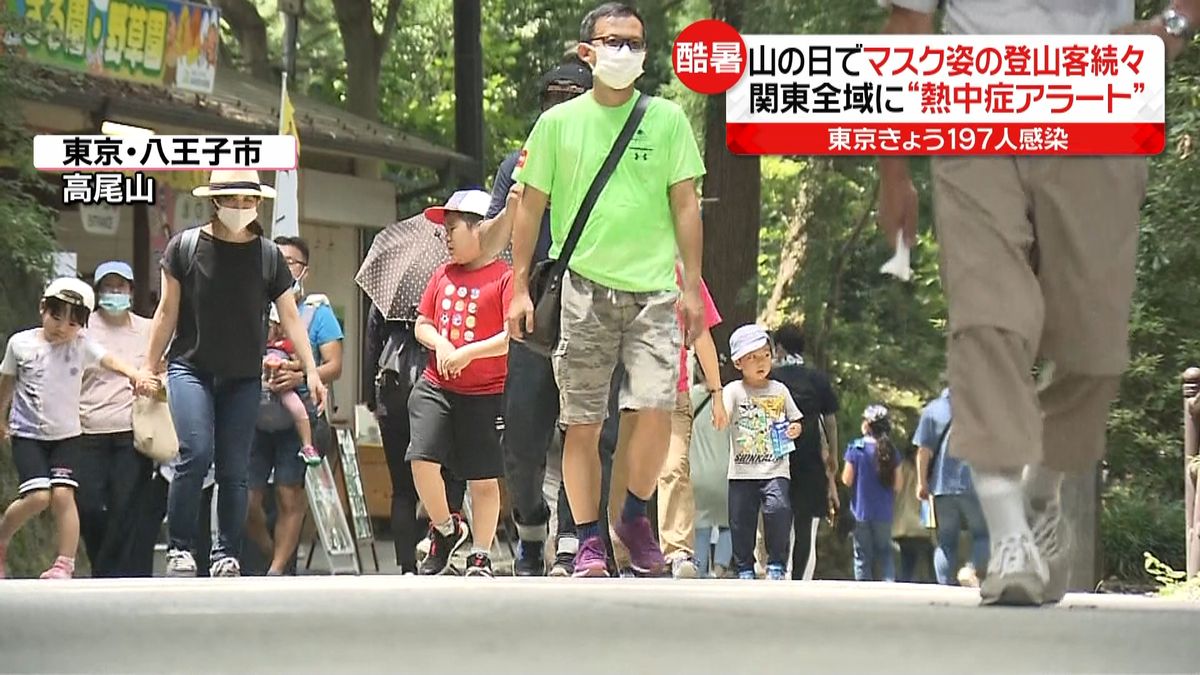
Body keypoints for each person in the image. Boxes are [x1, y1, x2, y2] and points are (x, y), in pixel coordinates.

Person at [877, 0, 1197, 606]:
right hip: (972, 102)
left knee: (1095, 353)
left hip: (1100, 97)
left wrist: (1172, 26)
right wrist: (892, 171)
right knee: (987, 316)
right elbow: (909, 27)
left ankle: (1039, 494)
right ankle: (1008, 538)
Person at [506, 1, 707, 578]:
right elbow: (530, 206)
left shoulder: (666, 120)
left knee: (653, 411)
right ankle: (588, 539)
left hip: (653, 293)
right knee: (583, 420)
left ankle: (635, 518)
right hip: (584, 290)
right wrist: (519, 286)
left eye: (635, 42)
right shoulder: (558, 124)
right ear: (587, 51)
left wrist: (691, 287)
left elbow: (686, 203)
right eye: (613, 40)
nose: (625, 51)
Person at [146, 169, 327, 578]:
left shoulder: (267, 256)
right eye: (231, 200)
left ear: (258, 205)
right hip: (190, 366)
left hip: (244, 376)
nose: (240, 208)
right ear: (215, 201)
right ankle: (181, 547)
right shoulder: (184, 247)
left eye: (248, 202)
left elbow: (291, 317)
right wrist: (147, 364)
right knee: (195, 452)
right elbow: (166, 312)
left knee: (234, 467)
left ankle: (225, 552)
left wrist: (311, 372)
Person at [485, 54, 592, 577]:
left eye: (574, 99)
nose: (564, 109)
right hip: (532, 317)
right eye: (554, 100)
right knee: (524, 440)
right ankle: (531, 529)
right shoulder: (516, 165)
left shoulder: (611, 164)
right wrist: (518, 198)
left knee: (586, 433)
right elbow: (490, 244)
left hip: (596, 313)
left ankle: (575, 538)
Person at [0, 278, 157, 579]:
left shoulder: (81, 346)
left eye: (72, 322)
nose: (62, 327)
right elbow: (6, 384)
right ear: (42, 309)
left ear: (82, 325)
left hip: (68, 436)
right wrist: (0, 418)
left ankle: (64, 564)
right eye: (56, 316)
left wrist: (135, 375)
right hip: (28, 435)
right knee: (38, 497)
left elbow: (110, 360)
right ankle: (3, 538)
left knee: (63, 496)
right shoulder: (20, 344)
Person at [408, 190, 512, 578]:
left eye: (452, 229)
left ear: (481, 229)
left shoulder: (504, 277)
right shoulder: (442, 275)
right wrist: (443, 344)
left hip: (485, 394)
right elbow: (423, 323)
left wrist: (468, 353)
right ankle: (448, 528)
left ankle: (481, 553)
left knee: (483, 478)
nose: (446, 238)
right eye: (444, 231)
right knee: (421, 459)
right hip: (436, 384)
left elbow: (509, 336)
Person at [606, 265, 725, 578]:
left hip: (674, 392)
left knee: (674, 467)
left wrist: (716, 392)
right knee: (626, 469)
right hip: (630, 391)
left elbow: (702, 337)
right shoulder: (618, 267)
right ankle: (623, 554)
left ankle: (678, 551)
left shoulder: (685, 278)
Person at [246, 235, 344, 576]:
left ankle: (276, 570)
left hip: (297, 418)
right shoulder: (252, 308)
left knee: (290, 495)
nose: (284, 268)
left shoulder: (318, 313)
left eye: (292, 263)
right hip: (254, 418)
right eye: (278, 261)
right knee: (247, 501)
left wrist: (301, 373)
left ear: (305, 271)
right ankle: (275, 553)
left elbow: (334, 365)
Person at [75, 261, 157, 577]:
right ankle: (104, 566)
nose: (114, 293)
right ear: (98, 292)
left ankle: (108, 575)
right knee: (90, 506)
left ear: (131, 291)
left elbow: (161, 369)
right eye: (108, 287)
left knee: (126, 508)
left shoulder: (148, 329)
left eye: (120, 287)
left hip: (132, 431)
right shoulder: (82, 329)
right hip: (87, 430)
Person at [724, 324, 802, 581]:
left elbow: (796, 421)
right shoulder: (734, 391)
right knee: (740, 521)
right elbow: (722, 415)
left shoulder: (779, 390)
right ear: (738, 362)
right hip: (741, 470)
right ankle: (744, 566)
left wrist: (794, 429)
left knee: (778, 510)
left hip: (775, 468)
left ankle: (777, 563)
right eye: (753, 357)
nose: (761, 362)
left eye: (766, 355)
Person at [769, 323, 840, 580]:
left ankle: (777, 568)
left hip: (778, 450)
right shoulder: (817, 378)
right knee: (804, 517)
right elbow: (830, 421)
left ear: (778, 348)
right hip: (809, 451)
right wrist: (832, 453)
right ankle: (798, 577)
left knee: (778, 511)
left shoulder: (772, 377)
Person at [913, 386, 989, 586]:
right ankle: (970, 569)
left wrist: (921, 482)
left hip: (941, 486)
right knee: (984, 534)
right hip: (974, 484)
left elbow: (924, 451)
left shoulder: (932, 410)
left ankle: (945, 586)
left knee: (945, 541)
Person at [842, 405, 901, 582]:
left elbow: (847, 480)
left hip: (860, 511)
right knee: (885, 553)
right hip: (884, 512)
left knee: (862, 556)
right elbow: (898, 484)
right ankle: (889, 586)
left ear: (867, 425)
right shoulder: (892, 451)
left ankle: (863, 593)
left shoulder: (855, 449)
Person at [688, 356, 734, 578]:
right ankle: (720, 568)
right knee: (728, 521)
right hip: (726, 470)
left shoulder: (690, 397)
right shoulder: (729, 399)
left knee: (700, 522)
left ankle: (698, 566)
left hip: (697, 471)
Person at [893, 445, 935, 583]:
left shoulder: (901, 467)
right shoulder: (927, 470)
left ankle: (905, 584)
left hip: (904, 525)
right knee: (931, 560)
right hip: (924, 526)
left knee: (907, 563)